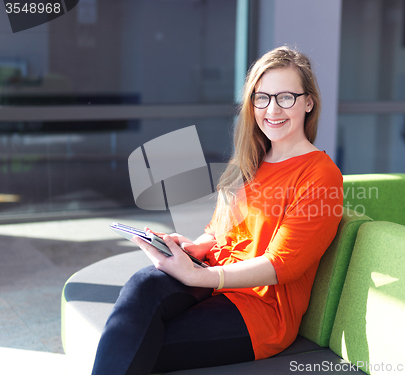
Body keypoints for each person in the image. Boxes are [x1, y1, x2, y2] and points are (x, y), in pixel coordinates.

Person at [91, 45, 343, 375]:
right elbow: (218, 231)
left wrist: (201, 275)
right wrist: (194, 247)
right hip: (212, 278)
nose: (272, 109)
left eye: (286, 97)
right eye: (261, 97)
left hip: (259, 309)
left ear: (308, 102)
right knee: (143, 285)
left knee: (140, 343)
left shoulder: (320, 174)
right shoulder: (252, 160)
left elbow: (282, 264)